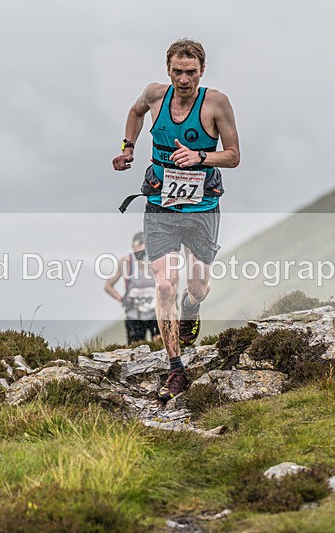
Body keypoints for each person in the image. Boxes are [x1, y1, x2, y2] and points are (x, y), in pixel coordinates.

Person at [112, 39, 240, 402]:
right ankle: (175, 368)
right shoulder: (155, 96)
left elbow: (233, 156)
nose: (184, 79)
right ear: (168, 71)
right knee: (165, 285)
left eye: (191, 72)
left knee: (197, 287)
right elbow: (135, 113)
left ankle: (192, 307)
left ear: (202, 71)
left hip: (201, 208)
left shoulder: (216, 103)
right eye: (177, 72)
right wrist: (128, 149)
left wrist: (201, 156)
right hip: (160, 204)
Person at [104, 231, 160, 344]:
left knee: (161, 345)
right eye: (137, 250)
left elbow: (171, 281)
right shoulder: (126, 261)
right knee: (137, 350)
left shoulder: (157, 260)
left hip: (156, 313)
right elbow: (108, 286)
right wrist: (122, 299)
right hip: (134, 315)